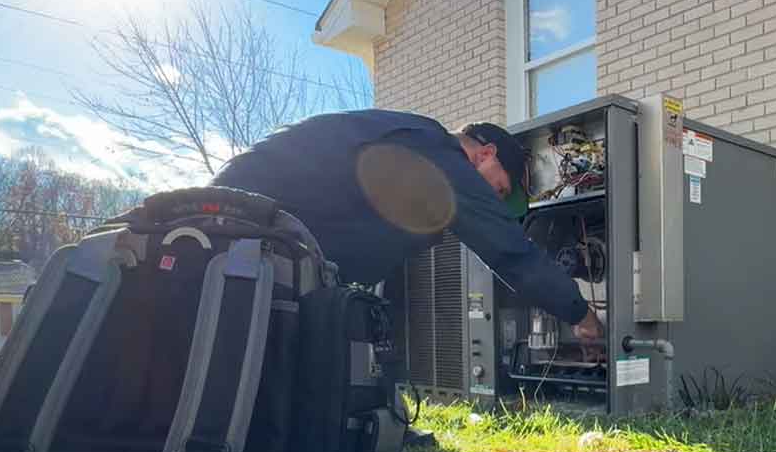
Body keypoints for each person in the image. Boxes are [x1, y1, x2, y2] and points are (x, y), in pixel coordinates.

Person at [207, 110, 605, 342]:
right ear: (484, 154)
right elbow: (509, 251)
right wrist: (581, 316)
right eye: (499, 191)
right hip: (241, 222)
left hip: (242, 224)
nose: (493, 202)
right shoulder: (440, 154)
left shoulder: (415, 142)